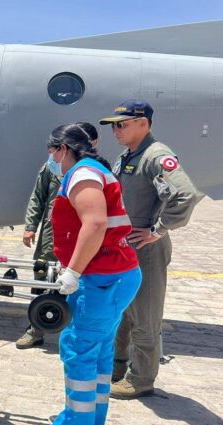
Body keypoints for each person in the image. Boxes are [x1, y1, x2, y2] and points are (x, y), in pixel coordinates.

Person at [31, 123, 141, 425]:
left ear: (63, 148)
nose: (52, 158)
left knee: (78, 349)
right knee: (99, 350)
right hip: (116, 275)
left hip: (102, 278)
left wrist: (73, 271)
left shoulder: (82, 173)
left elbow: (94, 222)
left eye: (53, 151)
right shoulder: (94, 171)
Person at [98, 100, 202, 399]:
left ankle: (141, 379)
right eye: (114, 125)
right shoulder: (129, 155)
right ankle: (117, 367)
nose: (116, 130)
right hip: (126, 246)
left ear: (144, 123)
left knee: (145, 314)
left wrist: (158, 231)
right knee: (125, 312)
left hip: (146, 248)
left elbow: (184, 196)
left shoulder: (156, 156)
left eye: (122, 124)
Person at [16, 122, 102, 349]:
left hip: (79, 239)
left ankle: (76, 333)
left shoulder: (97, 170)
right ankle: (35, 330)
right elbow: (38, 196)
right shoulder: (52, 167)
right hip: (50, 236)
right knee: (42, 281)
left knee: (78, 286)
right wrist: (30, 226)